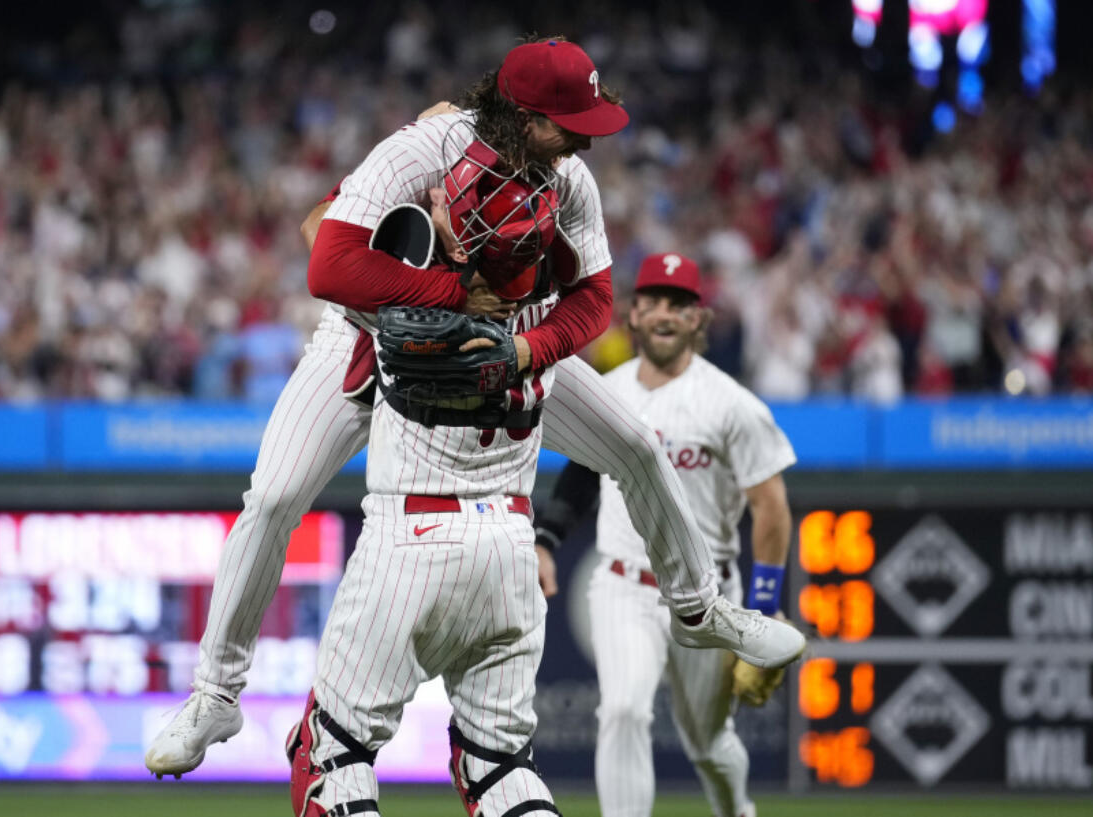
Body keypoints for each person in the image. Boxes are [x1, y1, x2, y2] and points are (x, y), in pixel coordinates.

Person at [145, 38, 803, 784]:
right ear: (522, 116)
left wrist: (529, 350)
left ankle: (700, 608)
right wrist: (456, 297)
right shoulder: (423, 147)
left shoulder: (569, 177)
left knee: (638, 446)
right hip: (366, 338)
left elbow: (594, 301)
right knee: (271, 497)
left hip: (506, 342)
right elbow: (326, 259)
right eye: (567, 120)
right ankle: (215, 694)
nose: (585, 134)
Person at [533, 253, 798, 817]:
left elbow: (771, 507)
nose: (663, 314)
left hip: (708, 595)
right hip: (624, 585)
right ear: (632, 315)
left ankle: (737, 810)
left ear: (698, 319)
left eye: (677, 304)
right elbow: (582, 473)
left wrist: (766, 605)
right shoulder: (607, 391)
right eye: (651, 301)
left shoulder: (733, 405)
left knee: (708, 742)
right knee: (623, 710)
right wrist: (547, 539)